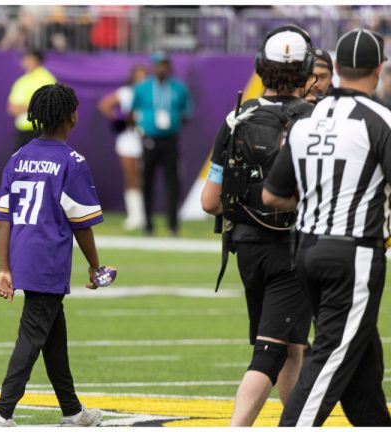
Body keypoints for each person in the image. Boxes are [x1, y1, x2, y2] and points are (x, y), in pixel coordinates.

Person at [263, 28, 391, 427]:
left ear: (335, 68)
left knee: (361, 359)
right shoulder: (381, 119)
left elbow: (272, 195)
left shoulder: (305, 118)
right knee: (334, 353)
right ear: (379, 69)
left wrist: (321, 199)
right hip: (353, 253)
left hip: (308, 250)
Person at [200, 26, 314, 426]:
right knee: (269, 352)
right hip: (296, 249)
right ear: (307, 70)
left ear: (261, 68)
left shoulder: (237, 117)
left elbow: (209, 201)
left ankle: (295, 423)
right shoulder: (318, 120)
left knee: (291, 344)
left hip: (246, 247)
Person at [0, 83, 106, 427]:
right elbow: (81, 223)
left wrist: (4, 268)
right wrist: (95, 267)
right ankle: (2, 413)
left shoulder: (17, 157)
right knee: (32, 336)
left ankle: (72, 411)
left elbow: (4, 217)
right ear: (72, 116)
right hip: (49, 259)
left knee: (53, 337)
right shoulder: (72, 161)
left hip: (22, 255)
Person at [131, 52, 192, 236]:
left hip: (170, 140)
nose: (162, 68)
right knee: (146, 182)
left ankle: (173, 225)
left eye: (165, 64)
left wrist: (173, 122)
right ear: (153, 66)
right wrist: (140, 129)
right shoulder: (142, 88)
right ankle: (147, 224)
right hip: (149, 139)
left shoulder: (179, 88)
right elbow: (132, 111)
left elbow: (186, 112)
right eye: (159, 64)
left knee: (172, 182)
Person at [98, 64, 148, 231]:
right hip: (128, 138)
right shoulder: (126, 92)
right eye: (138, 76)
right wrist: (119, 118)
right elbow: (105, 104)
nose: (141, 80)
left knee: (142, 177)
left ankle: (143, 214)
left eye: (144, 76)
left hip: (145, 137)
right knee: (131, 177)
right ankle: (135, 216)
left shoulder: (150, 93)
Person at [7, 49, 56, 149]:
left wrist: (23, 108)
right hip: (22, 130)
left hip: (41, 130)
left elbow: (46, 105)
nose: (25, 61)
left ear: (37, 60)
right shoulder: (21, 81)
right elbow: (11, 108)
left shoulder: (46, 78)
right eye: (24, 58)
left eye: (29, 58)